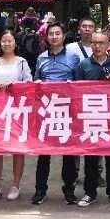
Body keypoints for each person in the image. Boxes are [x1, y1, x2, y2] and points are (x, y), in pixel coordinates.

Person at [75, 31, 110, 208]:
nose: (97, 46)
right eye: (94, 43)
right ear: (90, 44)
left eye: (101, 43)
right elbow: (75, 91)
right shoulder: (83, 65)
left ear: (108, 45)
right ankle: (90, 193)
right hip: (91, 117)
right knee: (91, 157)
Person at [32, 21, 81, 205]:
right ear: (47, 37)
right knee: (43, 152)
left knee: (69, 153)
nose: (54, 37)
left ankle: (69, 190)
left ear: (63, 36)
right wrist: (37, 84)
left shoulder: (73, 58)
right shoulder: (41, 58)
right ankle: (40, 190)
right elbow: (37, 80)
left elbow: (80, 84)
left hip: (67, 110)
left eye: (57, 33)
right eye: (51, 34)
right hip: (46, 110)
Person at [0, 30, 33, 201]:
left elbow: (29, 82)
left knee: (17, 149)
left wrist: (14, 85)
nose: (6, 43)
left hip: (17, 110)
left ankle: (15, 185)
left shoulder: (22, 62)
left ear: (15, 43)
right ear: (0, 43)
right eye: (4, 40)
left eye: (10, 41)